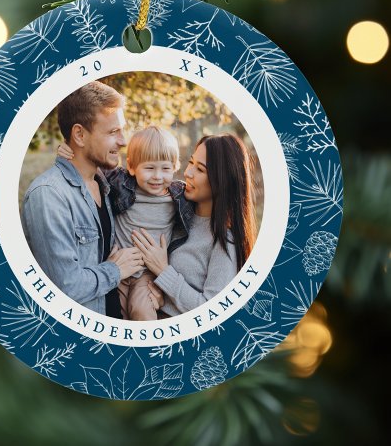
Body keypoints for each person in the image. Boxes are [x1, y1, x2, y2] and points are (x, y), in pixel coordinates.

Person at [21, 81, 144, 318]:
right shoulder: (49, 195)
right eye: (112, 132)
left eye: (122, 130)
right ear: (79, 134)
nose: (123, 140)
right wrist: (116, 270)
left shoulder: (106, 185)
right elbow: (64, 287)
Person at [58, 126, 194, 321]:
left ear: (175, 167)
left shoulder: (179, 196)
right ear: (131, 167)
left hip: (147, 273)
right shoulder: (121, 182)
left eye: (165, 168)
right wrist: (68, 152)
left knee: (141, 311)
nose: (157, 176)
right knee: (115, 313)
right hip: (117, 267)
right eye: (149, 168)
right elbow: (91, 165)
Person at [131, 134, 256, 316]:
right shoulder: (175, 207)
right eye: (191, 163)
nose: (188, 172)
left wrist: (163, 271)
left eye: (200, 169)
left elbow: (213, 312)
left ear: (222, 179)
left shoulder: (225, 241)